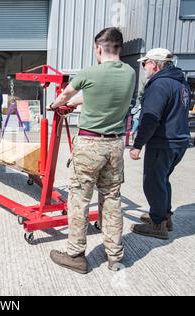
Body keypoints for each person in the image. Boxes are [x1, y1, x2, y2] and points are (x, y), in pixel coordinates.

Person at [49, 27, 136, 274]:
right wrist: (78, 100)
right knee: (112, 199)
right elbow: (98, 96)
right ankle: (114, 256)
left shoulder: (89, 72)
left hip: (90, 145)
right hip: (115, 144)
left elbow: (65, 96)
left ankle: (75, 255)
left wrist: (56, 104)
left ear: (98, 48)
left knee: (79, 199)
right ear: (119, 47)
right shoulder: (130, 73)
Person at [130, 48, 191, 240]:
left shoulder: (159, 85)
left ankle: (158, 225)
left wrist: (137, 145)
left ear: (155, 64)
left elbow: (151, 118)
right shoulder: (181, 83)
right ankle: (165, 216)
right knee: (163, 179)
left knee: (153, 182)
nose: (144, 67)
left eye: (145, 63)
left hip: (163, 142)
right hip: (179, 141)